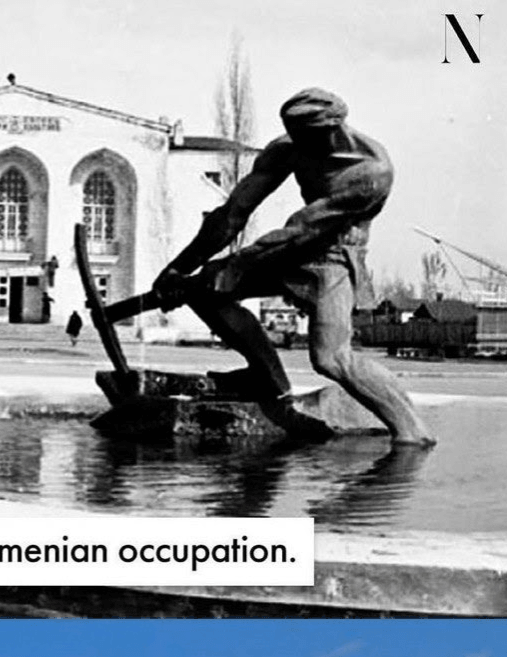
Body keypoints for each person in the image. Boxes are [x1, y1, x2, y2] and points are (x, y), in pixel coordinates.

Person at [151, 87, 434, 447]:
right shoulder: (288, 147)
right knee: (204, 291)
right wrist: (181, 268)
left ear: (333, 128)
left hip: (332, 257)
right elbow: (233, 213)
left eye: (305, 138)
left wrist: (234, 265)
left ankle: (411, 430)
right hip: (288, 249)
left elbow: (304, 228)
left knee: (331, 358)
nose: (296, 144)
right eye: (293, 135)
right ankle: (267, 379)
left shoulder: (370, 172)